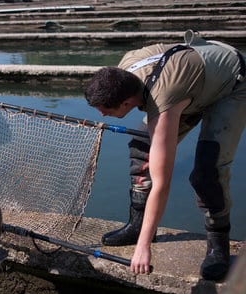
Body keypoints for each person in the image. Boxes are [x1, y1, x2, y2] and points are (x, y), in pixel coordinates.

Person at [84, 30, 245, 280]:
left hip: (231, 83)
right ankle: (137, 225)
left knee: (207, 172)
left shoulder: (164, 101)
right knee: (142, 147)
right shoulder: (126, 67)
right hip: (192, 81)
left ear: (127, 102)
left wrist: (143, 248)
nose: (102, 115)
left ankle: (218, 245)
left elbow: (162, 184)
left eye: (105, 110)